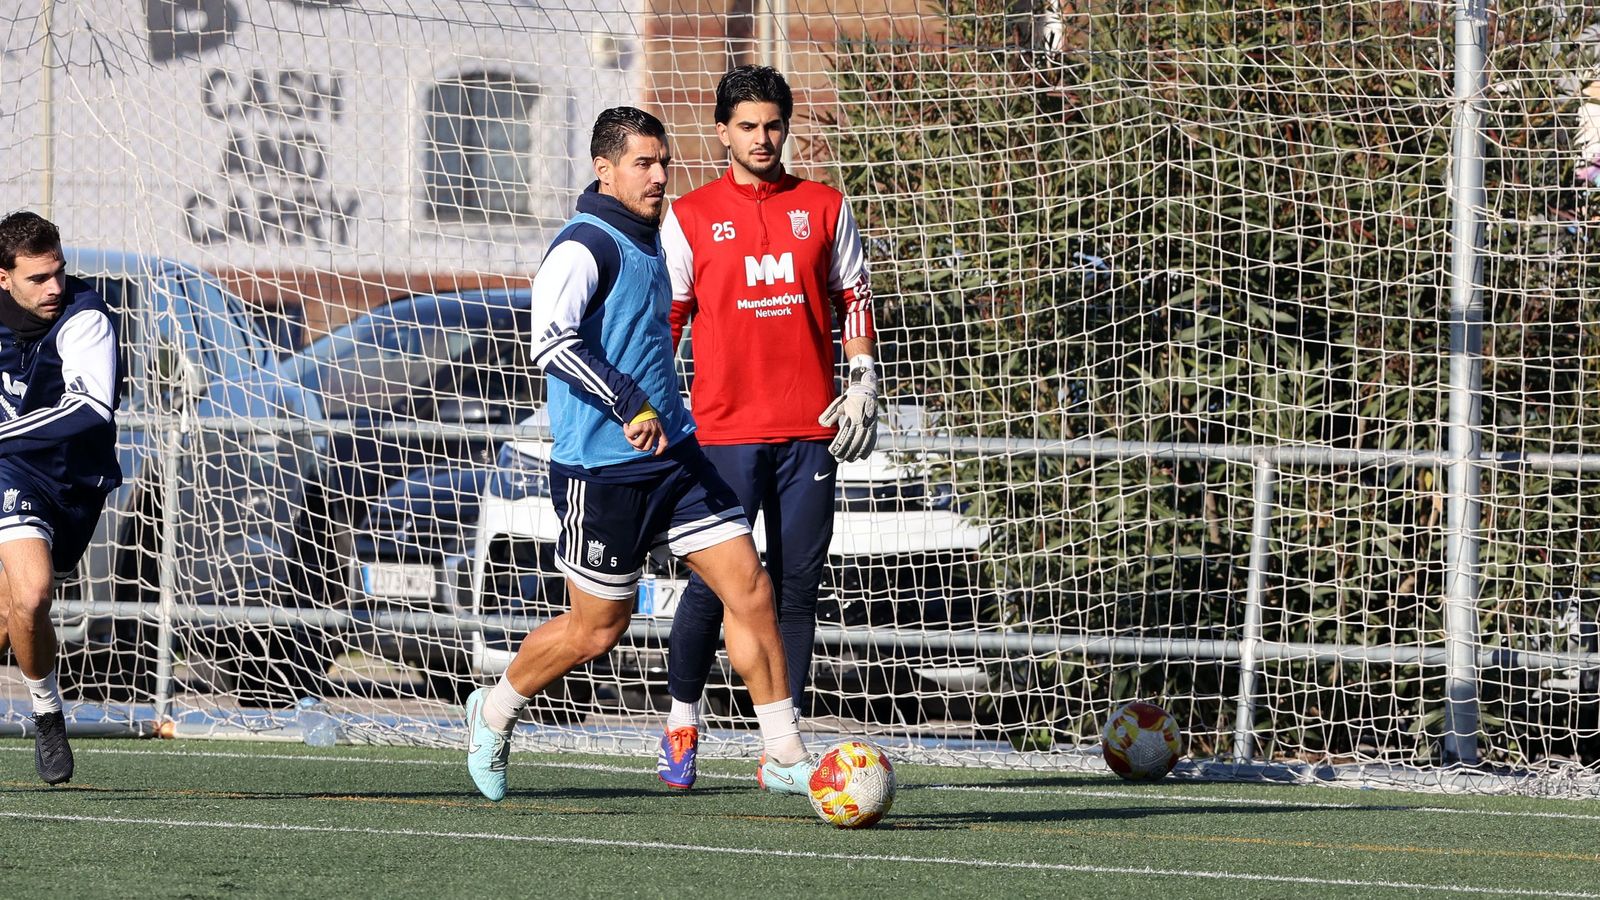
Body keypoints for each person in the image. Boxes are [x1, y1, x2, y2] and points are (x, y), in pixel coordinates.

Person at [463, 107, 813, 801]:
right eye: (643, 164)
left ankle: (782, 752)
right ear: (605, 169)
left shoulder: (658, 234)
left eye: (663, 163)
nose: (658, 177)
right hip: (603, 471)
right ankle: (494, 709)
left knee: (750, 588)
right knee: (597, 632)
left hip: (677, 458)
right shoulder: (582, 245)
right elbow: (552, 343)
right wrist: (629, 403)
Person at [655, 66, 879, 790]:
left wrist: (864, 378)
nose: (761, 138)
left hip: (810, 429)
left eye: (773, 125)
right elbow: (667, 323)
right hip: (721, 435)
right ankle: (681, 720)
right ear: (722, 131)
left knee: (796, 587)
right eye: (747, 126)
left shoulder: (824, 206)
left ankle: (784, 750)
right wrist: (658, 407)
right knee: (715, 587)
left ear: (787, 128)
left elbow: (854, 295)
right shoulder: (688, 217)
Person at [0, 211, 122, 786]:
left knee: (9, 620)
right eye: (36, 279)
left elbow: (88, 408)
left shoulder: (86, 316)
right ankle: (48, 716)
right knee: (32, 595)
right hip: (13, 472)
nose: (53, 288)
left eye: (59, 273)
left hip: (76, 482)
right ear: (3, 278)